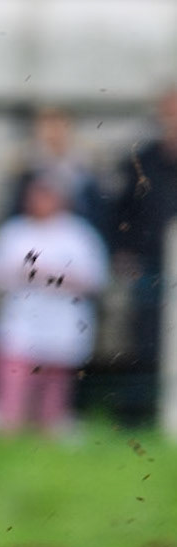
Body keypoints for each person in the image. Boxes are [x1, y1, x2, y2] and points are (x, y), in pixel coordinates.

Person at [0, 173, 108, 437]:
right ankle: (10, 433)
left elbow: (94, 278)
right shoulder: (14, 232)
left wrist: (48, 275)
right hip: (21, 324)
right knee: (14, 387)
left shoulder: (77, 234)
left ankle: (48, 436)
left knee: (54, 394)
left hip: (62, 324)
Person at [110, 87, 177, 416]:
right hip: (150, 264)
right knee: (146, 339)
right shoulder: (142, 159)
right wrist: (123, 251)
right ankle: (138, 413)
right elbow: (120, 211)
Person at [0, 106, 106, 235]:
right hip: (35, 227)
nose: (53, 132)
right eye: (47, 127)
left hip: (78, 227)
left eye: (59, 126)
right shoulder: (25, 162)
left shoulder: (87, 161)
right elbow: (13, 206)